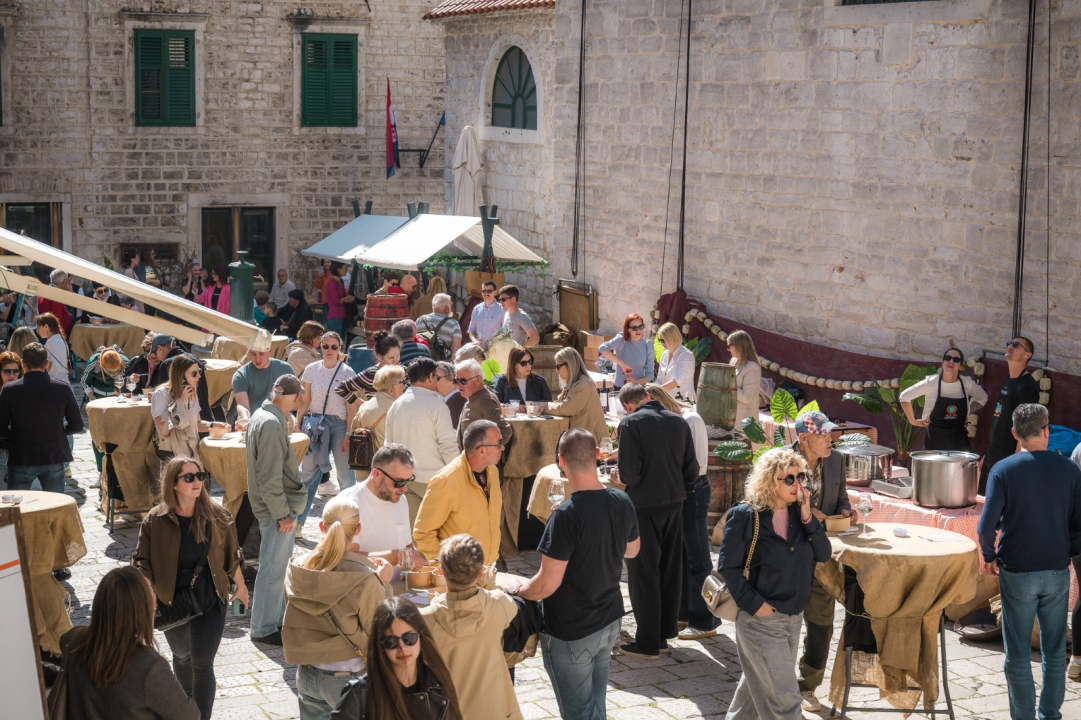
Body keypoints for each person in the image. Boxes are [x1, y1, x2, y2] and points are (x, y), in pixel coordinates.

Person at [501, 429, 639, 720]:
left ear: (561, 462)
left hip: (573, 628)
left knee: (579, 714)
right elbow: (633, 550)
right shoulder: (621, 500)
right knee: (595, 707)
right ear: (598, 456)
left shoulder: (566, 516)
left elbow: (545, 586)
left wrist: (516, 589)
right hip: (610, 619)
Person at [977, 403, 1081, 720]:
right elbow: (1077, 527)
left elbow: (985, 526)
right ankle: (1049, 715)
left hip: (1017, 570)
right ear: (1047, 431)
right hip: (1056, 570)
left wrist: (989, 556)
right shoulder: (1070, 470)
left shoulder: (1004, 470)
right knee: (1053, 651)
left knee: (1018, 653)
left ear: (1014, 434)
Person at [719, 448, 831, 720]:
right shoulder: (746, 515)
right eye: (789, 479)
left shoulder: (800, 515)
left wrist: (808, 517)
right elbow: (728, 567)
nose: (797, 484)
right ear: (771, 481)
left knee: (754, 690)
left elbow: (824, 554)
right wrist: (755, 605)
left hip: (793, 617)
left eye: (800, 477)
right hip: (761, 621)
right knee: (786, 701)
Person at [133, 457, 247, 720]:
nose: (197, 482)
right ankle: (186, 711)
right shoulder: (155, 519)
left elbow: (232, 555)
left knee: (203, 663)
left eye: (200, 476)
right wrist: (148, 588)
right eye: (189, 477)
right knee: (182, 657)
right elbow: (142, 560)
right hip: (171, 600)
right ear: (174, 484)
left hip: (210, 597)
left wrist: (240, 586)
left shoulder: (218, 516)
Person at [284, 496, 394, 720]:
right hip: (347, 675)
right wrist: (384, 584)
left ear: (321, 526)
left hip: (307, 671)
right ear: (359, 529)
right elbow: (378, 630)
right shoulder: (364, 578)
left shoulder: (297, 566)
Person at [615, 383, 697, 659]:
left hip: (643, 507)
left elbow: (630, 474)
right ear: (649, 397)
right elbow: (691, 470)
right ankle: (662, 634)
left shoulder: (630, 424)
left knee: (644, 573)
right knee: (669, 570)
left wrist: (619, 479)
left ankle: (648, 642)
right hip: (674, 504)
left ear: (629, 406)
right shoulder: (678, 421)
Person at [59, 566, 201, 720]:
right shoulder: (149, 667)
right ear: (139, 607)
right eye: (150, 590)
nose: (154, 595)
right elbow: (189, 716)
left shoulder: (72, 640)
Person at [783, 410, 854, 709]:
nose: (830, 439)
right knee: (784, 621)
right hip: (789, 554)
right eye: (823, 435)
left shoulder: (835, 460)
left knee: (822, 622)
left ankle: (807, 684)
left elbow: (841, 496)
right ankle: (778, 681)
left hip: (823, 554)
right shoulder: (782, 462)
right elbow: (769, 505)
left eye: (830, 434)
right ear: (803, 439)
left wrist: (847, 509)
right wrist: (807, 515)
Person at [643, 384, 718, 641]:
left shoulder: (689, 419)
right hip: (683, 490)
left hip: (694, 490)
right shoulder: (676, 419)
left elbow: (695, 466)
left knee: (698, 558)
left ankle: (706, 619)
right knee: (685, 555)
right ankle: (685, 612)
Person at [421, 534, 522, 720]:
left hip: (449, 712)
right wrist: (486, 583)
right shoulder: (498, 604)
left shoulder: (424, 619)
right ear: (481, 573)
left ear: (441, 571)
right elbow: (510, 605)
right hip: (494, 709)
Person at [246, 374, 308, 645]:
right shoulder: (271, 424)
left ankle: (272, 621)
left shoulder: (262, 414)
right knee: (272, 570)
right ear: (295, 398)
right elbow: (269, 477)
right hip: (275, 509)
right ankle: (263, 628)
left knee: (274, 568)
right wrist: (282, 513)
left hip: (272, 506)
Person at [331, 597, 464, 720]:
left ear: (421, 638)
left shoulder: (438, 685)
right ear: (381, 647)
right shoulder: (358, 695)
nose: (402, 647)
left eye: (409, 638)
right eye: (391, 642)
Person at [413, 420, 504, 566]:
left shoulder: (492, 471)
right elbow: (423, 533)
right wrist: (447, 569)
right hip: (460, 576)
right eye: (499, 443)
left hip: (487, 570)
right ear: (482, 450)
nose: (503, 448)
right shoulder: (445, 481)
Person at [0, 342, 83, 494]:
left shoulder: (9, 390)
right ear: (46, 364)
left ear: (23, 364)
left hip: (21, 455)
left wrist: (15, 437)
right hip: (53, 455)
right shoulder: (62, 387)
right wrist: (58, 430)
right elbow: (77, 425)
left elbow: (1, 429)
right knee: (54, 507)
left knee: (17, 508)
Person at [384, 357, 459, 522]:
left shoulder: (396, 405)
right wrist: (459, 474)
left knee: (415, 531)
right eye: (436, 377)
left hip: (405, 478)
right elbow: (447, 446)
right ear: (431, 377)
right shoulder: (437, 406)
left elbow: (389, 445)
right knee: (439, 530)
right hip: (434, 479)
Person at [296, 331, 357, 515]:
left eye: (334, 347)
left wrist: (348, 434)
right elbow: (305, 401)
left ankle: (348, 519)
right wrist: (298, 424)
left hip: (339, 425)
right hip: (315, 423)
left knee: (345, 476)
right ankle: (298, 521)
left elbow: (351, 407)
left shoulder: (347, 372)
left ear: (340, 349)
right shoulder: (311, 369)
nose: (329, 350)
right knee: (308, 474)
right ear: (320, 347)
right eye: (325, 346)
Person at [339, 444, 424, 563]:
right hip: (365, 581)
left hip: (399, 581)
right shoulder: (349, 504)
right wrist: (395, 557)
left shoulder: (401, 500)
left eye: (408, 481)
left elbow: (408, 546)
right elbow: (347, 559)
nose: (404, 488)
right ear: (377, 475)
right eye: (399, 482)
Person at [979, 337, 1040, 494]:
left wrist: (1016, 460)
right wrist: (987, 455)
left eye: (1015, 345)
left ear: (1028, 355)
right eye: (1008, 344)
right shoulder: (1008, 382)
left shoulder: (1027, 386)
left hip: (1008, 458)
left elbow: (1026, 426)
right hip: (992, 456)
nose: (1010, 347)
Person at [899, 347, 988, 452]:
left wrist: (969, 411)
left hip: (960, 442)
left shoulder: (966, 384)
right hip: (934, 441)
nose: (951, 361)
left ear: (961, 366)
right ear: (943, 362)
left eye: (956, 359)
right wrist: (913, 421)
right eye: (948, 358)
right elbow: (904, 397)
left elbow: (983, 397)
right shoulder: (931, 383)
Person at [151, 355, 224, 460]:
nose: (199, 376)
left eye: (199, 371)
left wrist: (214, 425)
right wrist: (180, 402)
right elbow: (164, 429)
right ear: (181, 376)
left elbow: (197, 423)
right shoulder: (161, 394)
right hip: (173, 457)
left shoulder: (191, 392)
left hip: (192, 454)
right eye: (194, 373)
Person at [541, 347, 608, 443]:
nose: (556, 370)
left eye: (558, 366)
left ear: (570, 365)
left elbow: (566, 407)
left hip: (590, 443)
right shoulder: (575, 383)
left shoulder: (583, 385)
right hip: (582, 439)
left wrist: (545, 406)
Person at [453, 358, 512, 451]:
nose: (459, 385)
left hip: (480, 464)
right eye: (457, 380)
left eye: (463, 381)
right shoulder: (476, 396)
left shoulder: (484, 401)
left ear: (478, 380)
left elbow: (505, 431)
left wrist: (484, 455)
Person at [347, 365, 406, 458]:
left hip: (362, 465)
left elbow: (352, 433)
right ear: (394, 387)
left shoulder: (363, 407)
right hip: (386, 466)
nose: (405, 385)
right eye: (403, 382)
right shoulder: (396, 409)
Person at [233, 345, 295, 432]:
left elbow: (297, 399)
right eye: (253, 354)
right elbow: (242, 404)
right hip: (254, 425)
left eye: (261, 354)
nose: (257, 359)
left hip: (282, 424)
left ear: (270, 351)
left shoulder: (285, 368)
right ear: (247, 351)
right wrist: (245, 418)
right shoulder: (241, 375)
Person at [336, 331, 400, 403]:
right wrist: (364, 404)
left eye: (398, 355)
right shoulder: (371, 374)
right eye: (391, 358)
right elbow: (341, 389)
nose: (396, 360)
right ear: (380, 356)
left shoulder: (403, 372)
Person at [599, 314, 653, 388]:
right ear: (628, 329)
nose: (638, 330)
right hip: (619, 388)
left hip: (638, 390)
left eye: (641, 326)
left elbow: (649, 375)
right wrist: (622, 364)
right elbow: (602, 348)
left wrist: (636, 382)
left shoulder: (648, 345)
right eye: (634, 328)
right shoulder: (621, 340)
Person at [726, 330, 763, 428]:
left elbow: (746, 397)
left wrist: (727, 386)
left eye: (729, 346)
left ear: (738, 345)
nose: (728, 349)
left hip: (743, 423)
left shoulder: (752, 367)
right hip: (729, 418)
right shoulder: (734, 361)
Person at [655, 322, 696, 401]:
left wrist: (656, 391)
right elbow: (659, 380)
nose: (662, 343)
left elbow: (677, 380)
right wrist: (647, 389)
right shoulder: (664, 355)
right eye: (660, 340)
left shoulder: (686, 355)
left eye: (664, 340)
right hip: (668, 403)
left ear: (673, 338)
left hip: (684, 403)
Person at [416, 293, 462, 361]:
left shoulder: (420, 320)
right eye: (451, 305)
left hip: (422, 361)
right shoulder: (453, 324)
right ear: (447, 308)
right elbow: (456, 350)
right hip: (442, 364)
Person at [0, 350, 19, 488]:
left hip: (18, 447)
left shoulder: (23, 391)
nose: (12, 376)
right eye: (7, 372)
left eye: (15, 371)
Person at [38, 268, 74, 337]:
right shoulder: (55, 294)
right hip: (55, 334)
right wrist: (62, 334)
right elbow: (58, 317)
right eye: (67, 281)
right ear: (64, 281)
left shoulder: (46, 291)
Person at [36, 312, 70, 384]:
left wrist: (39, 360)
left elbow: (56, 370)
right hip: (60, 384)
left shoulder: (55, 342)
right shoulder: (57, 340)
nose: (37, 330)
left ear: (46, 327)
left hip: (59, 385)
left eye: (38, 327)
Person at [467, 280, 505, 345]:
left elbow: (505, 332)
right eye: (484, 291)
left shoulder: (502, 310)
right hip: (479, 349)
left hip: (495, 350)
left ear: (495, 292)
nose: (486, 293)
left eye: (489, 291)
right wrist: (474, 341)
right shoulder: (476, 309)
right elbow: (471, 330)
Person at [325, 261, 355, 336]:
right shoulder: (331, 282)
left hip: (342, 315)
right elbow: (336, 301)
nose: (347, 270)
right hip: (335, 316)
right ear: (339, 270)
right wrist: (346, 298)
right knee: (337, 340)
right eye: (345, 268)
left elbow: (342, 298)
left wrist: (348, 299)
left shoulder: (341, 281)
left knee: (341, 341)